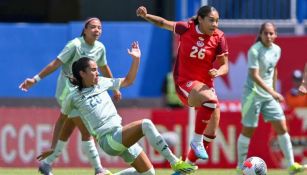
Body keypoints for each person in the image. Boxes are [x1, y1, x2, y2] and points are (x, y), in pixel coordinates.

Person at [58, 42, 197, 175]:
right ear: (82, 73)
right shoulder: (73, 96)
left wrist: (136, 60)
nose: (98, 73)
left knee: (149, 173)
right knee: (146, 124)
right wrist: (53, 147)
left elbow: (128, 81)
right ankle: (175, 162)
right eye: (93, 70)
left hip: (119, 134)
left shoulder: (101, 82)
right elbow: (61, 120)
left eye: (97, 69)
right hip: (108, 140)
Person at [19, 17, 121, 175]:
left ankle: (47, 164)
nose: (97, 30)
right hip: (68, 94)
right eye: (93, 27)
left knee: (68, 128)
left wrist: (115, 89)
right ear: (85, 30)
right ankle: (98, 169)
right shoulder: (75, 45)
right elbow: (56, 63)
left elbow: (104, 66)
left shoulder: (100, 48)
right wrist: (35, 79)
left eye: (99, 28)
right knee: (86, 130)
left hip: (83, 94)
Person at [136, 5, 229, 164]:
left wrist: (218, 72)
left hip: (204, 86)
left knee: (212, 130)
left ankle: (187, 167)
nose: (215, 24)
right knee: (211, 101)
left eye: (217, 21)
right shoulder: (186, 28)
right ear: (200, 19)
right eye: (211, 20)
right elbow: (163, 23)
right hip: (184, 82)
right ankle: (196, 140)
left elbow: (225, 65)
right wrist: (146, 16)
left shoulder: (219, 37)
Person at [236, 22, 306, 175]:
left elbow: (274, 69)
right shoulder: (254, 50)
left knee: (282, 127)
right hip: (253, 95)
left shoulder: (277, 49)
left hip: (268, 96)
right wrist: (273, 92)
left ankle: (291, 165)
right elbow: (254, 76)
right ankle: (240, 166)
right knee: (248, 130)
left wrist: (273, 91)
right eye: (265, 33)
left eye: (271, 33)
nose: (268, 36)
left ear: (276, 35)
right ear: (260, 35)